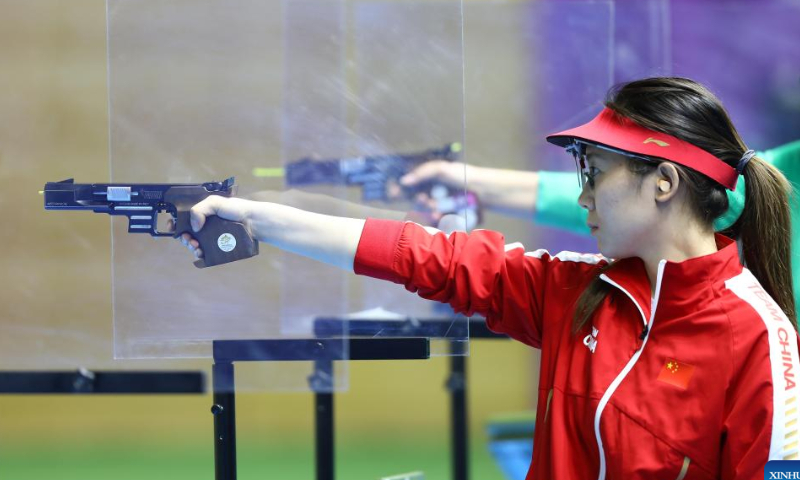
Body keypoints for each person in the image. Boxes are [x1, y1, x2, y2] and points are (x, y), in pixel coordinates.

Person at [181, 77, 798, 478]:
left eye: (594, 171)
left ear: (663, 182)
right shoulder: (578, 291)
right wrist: (260, 219)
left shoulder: (758, 335)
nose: (582, 195)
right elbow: (424, 254)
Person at [399, 138, 800, 318]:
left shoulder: (753, 330)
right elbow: (629, 202)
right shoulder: (784, 169)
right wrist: (477, 182)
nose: (585, 198)